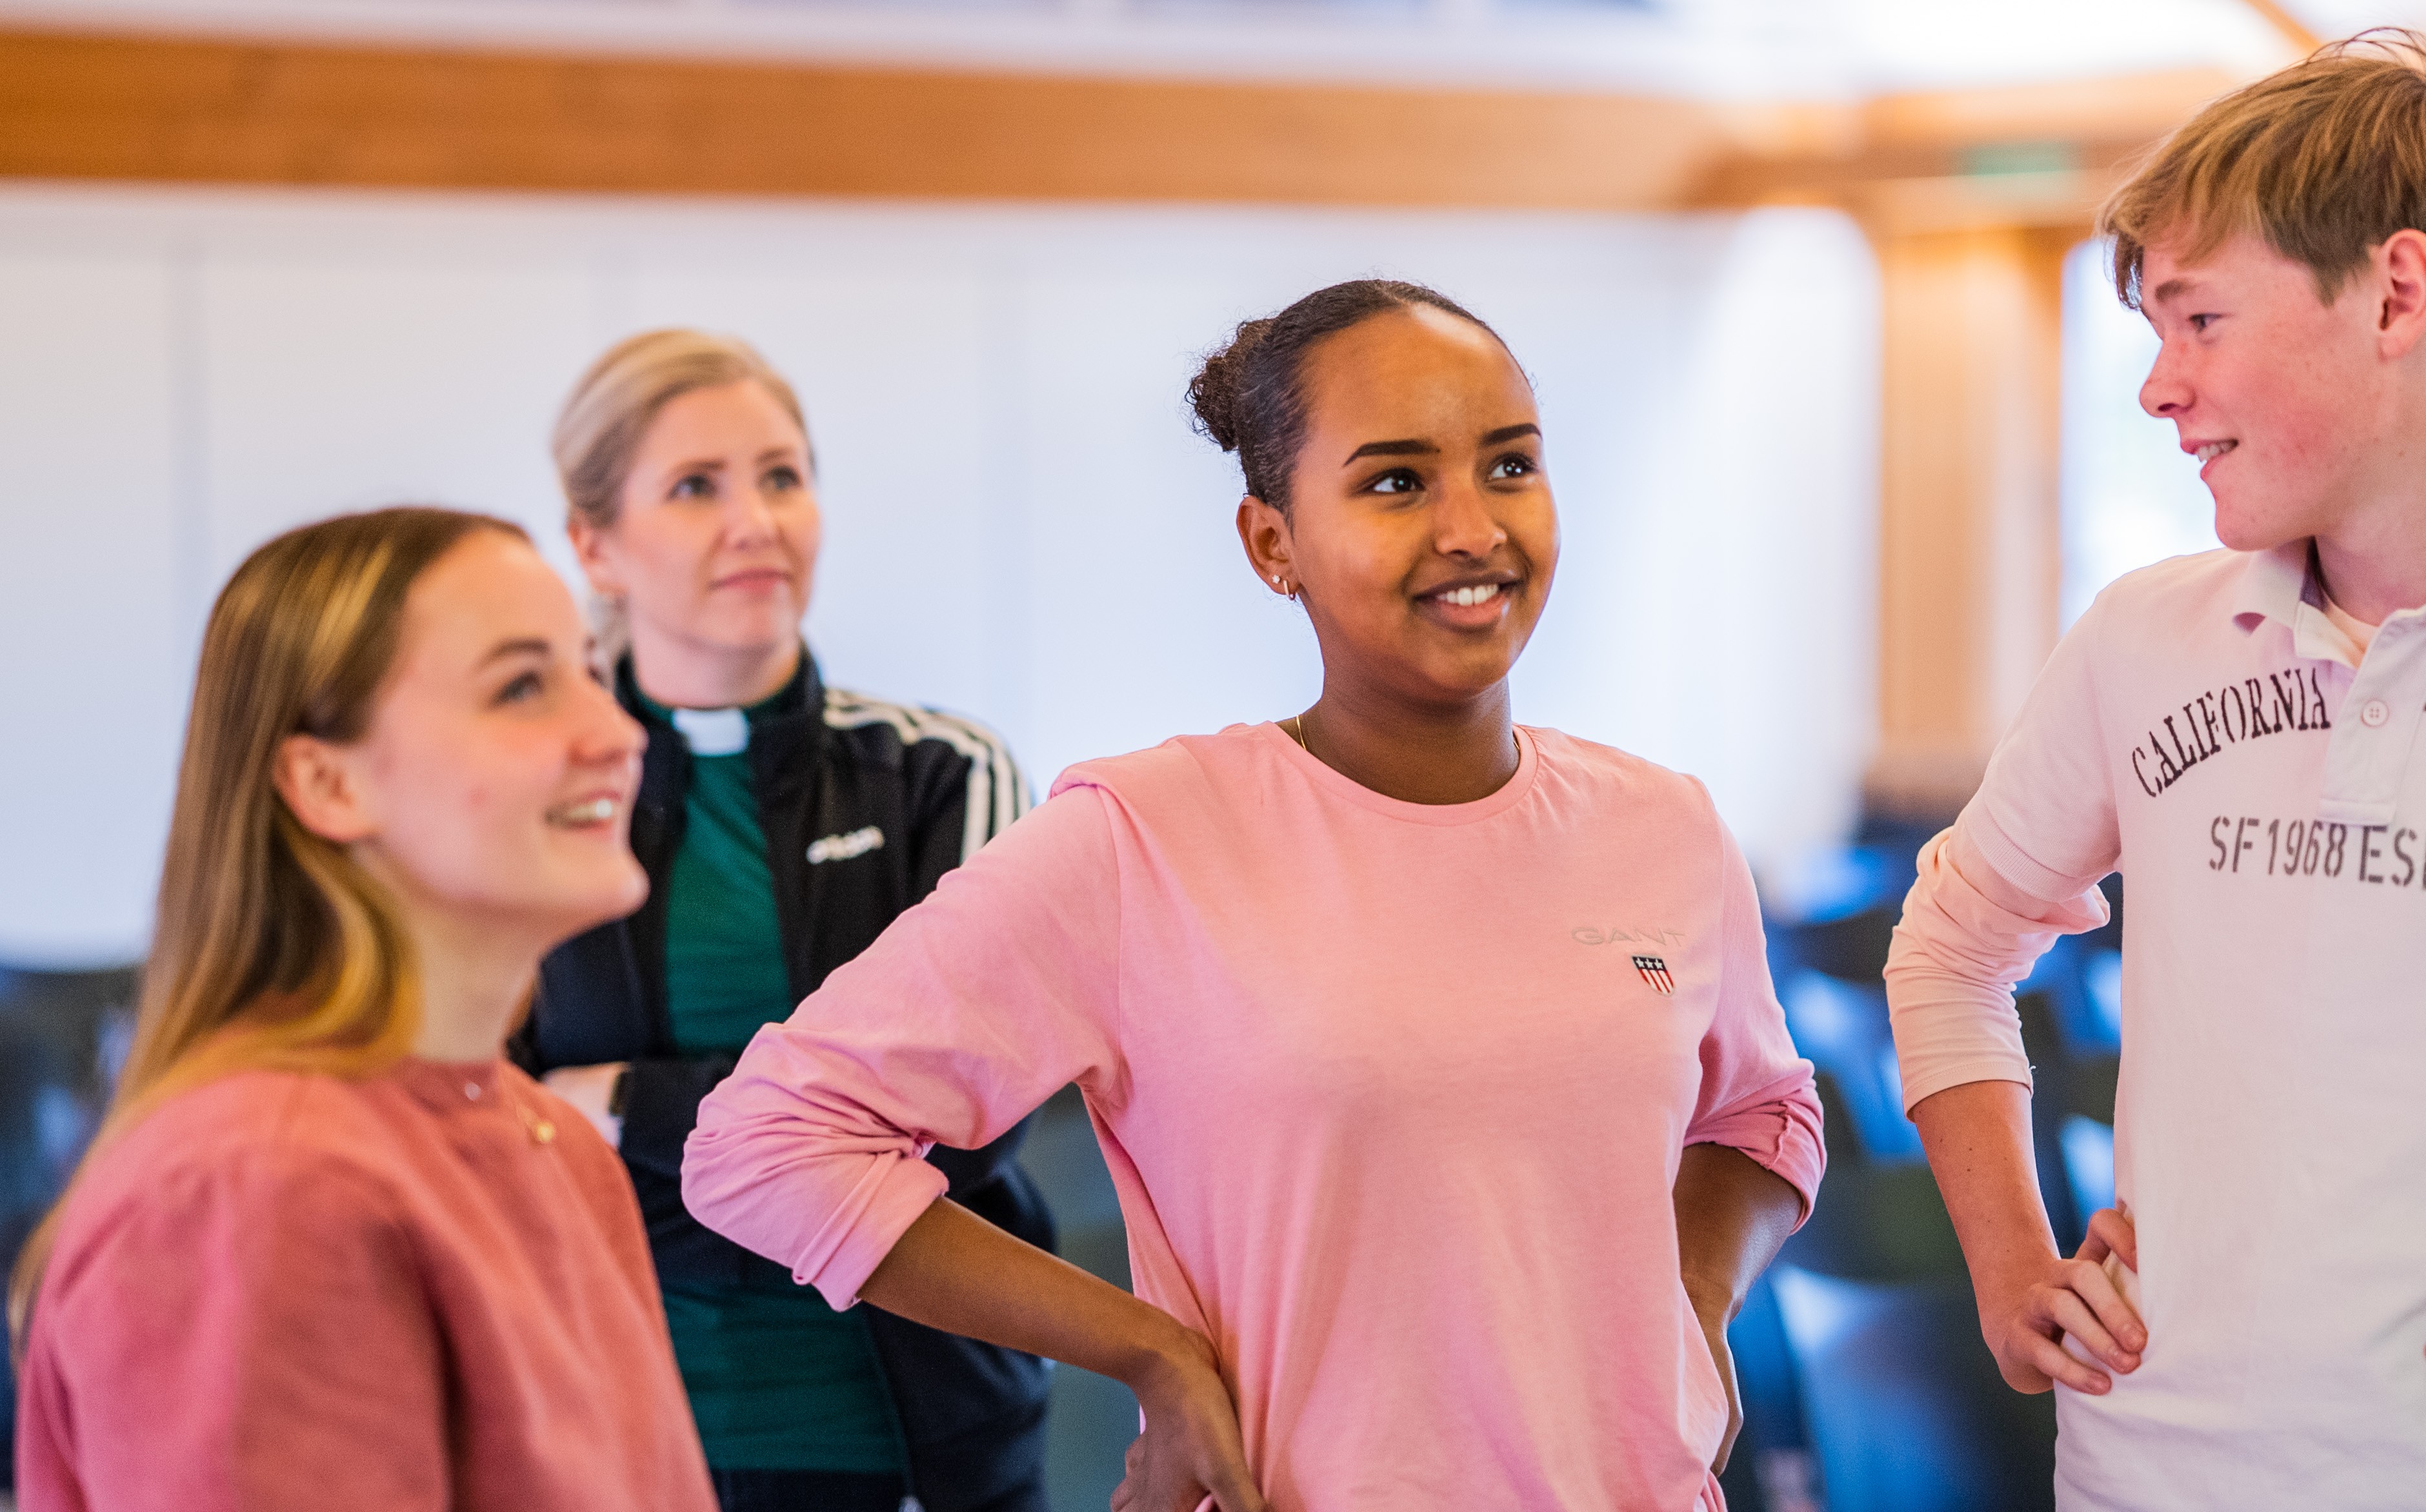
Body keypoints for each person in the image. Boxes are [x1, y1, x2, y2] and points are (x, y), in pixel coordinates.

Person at [679, 279, 1825, 1511]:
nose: (1473, 527)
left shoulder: (1666, 827)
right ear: (1273, 544)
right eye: (1396, 481)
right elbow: (767, 1142)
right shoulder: (1144, 838)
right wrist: (1148, 1352)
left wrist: (1692, 1299)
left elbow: (1765, 1116)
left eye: (1509, 466)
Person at [1883, 33, 2426, 1511]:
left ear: (2394, 293)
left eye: (2195, 320)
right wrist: (2008, 1266)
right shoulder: (2142, 637)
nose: (2154, 388)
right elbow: (1947, 947)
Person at [8, 508, 716, 1511]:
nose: (617, 734)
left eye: (595, 675)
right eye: (521, 685)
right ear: (326, 780)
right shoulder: (256, 1189)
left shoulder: (553, 1141)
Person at [510, 329, 1052, 1512]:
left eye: (782, 476)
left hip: (924, 1436)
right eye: (697, 486)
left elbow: (961, 1135)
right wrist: (822, 1145)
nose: (755, 519)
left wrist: (618, 1102)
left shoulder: (940, 776)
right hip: (615, 1433)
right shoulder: (533, 795)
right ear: (595, 545)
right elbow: (490, 1131)